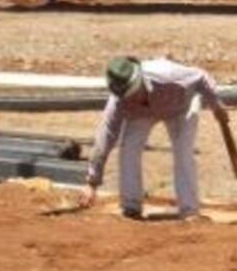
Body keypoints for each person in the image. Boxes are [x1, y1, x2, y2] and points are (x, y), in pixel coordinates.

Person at [79, 56, 229, 219]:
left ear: (139, 83)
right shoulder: (119, 101)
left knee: (183, 152)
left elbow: (201, 77)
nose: (128, 98)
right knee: (128, 148)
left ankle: (189, 210)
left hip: (181, 106)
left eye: (131, 93)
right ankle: (131, 207)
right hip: (141, 113)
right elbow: (106, 135)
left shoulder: (168, 75)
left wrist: (216, 104)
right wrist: (91, 182)